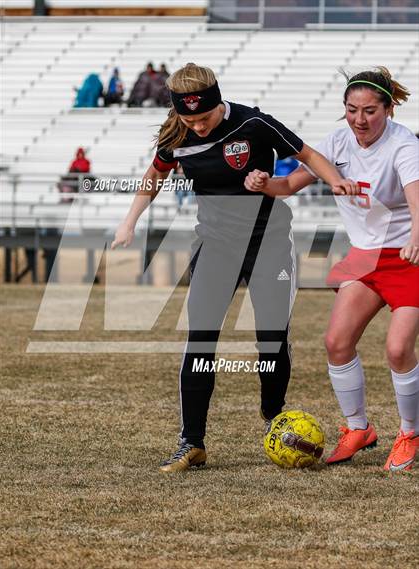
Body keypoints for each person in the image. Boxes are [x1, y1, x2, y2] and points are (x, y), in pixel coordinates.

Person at [111, 63, 356, 473]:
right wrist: (129, 220)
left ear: (217, 103)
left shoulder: (255, 123)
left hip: (270, 243)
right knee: (201, 341)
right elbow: (155, 175)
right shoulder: (177, 133)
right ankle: (192, 443)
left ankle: (273, 415)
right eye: (189, 119)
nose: (198, 126)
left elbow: (308, 155)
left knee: (271, 339)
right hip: (215, 245)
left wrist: (336, 181)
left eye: (204, 118)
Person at [245, 66, 419, 472]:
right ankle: (358, 429)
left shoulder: (404, 144)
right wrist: (261, 182)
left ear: (389, 109)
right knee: (336, 342)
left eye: (370, 111)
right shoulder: (338, 140)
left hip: (408, 258)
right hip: (365, 257)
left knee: (397, 349)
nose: (360, 119)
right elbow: (288, 186)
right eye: (351, 109)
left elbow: (416, 195)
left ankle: (410, 433)